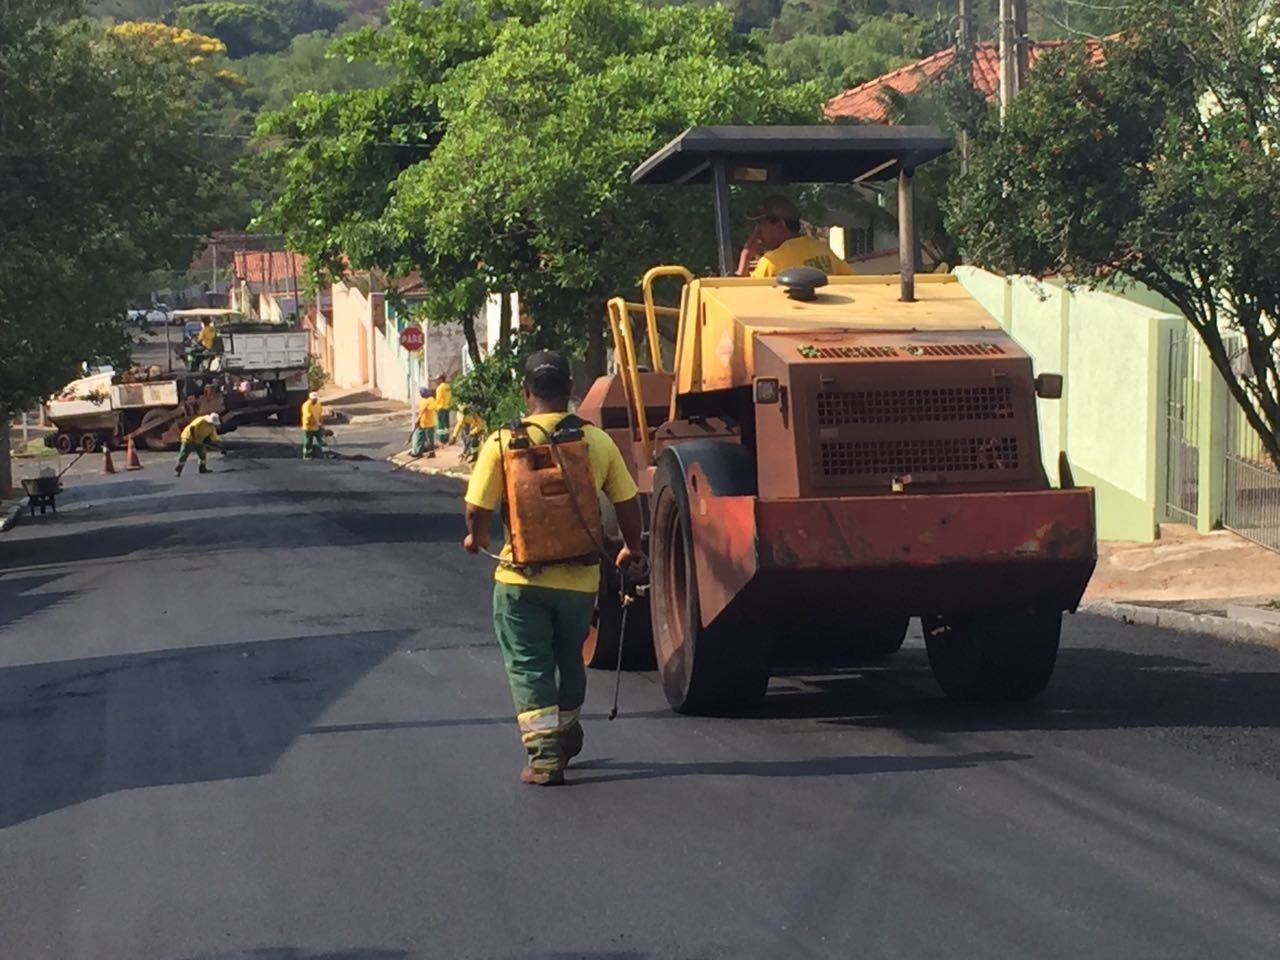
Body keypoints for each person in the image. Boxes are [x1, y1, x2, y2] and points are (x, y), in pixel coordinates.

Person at [463, 350, 645, 787]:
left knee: (528, 665)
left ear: (526, 393)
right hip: (579, 583)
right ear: (569, 392)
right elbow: (627, 501)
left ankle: (545, 758)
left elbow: (476, 508)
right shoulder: (596, 442)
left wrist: (478, 537)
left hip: (520, 581)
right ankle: (564, 730)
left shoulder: (501, 443)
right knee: (569, 657)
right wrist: (632, 548)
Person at [736, 194, 855, 279]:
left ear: (780, 225)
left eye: (760, 225)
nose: (757, 232)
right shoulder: (824, 251)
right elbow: (854, 282)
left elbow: (741, 298)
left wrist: (745, 257)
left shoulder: (771, 262)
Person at [411, 386, 437, 458]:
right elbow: (420, 411)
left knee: (429, 439)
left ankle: (432, 453)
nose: (421, 394)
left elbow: (425, 410)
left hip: (429, 423)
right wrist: (418, 421)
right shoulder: (421, 400)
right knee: (420, 437)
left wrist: (417, 420)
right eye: (420, 393)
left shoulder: (430, 400)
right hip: (422, 423)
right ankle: (419, 452)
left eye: (422, 393)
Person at [300, 391, 326, 460]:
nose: (314, 400)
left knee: (322, 440)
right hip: (309, 427)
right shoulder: (306, 405)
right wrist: (311, 423)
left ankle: (326, 454)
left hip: (317, 426)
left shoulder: (318, 405)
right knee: (308, 442)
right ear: (309, 398)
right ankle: (307, 455)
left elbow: (320, 415)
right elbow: (308, 416)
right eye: (313, 399)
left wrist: (321, 423)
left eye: (315, 399)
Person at [433, 375, 453, 445]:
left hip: (440, 408)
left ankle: (442, 440)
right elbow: (450, 397)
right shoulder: (448, 386)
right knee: (446, 424)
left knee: (441, 425)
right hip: (447, 407)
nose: (436, 381)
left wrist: (434, 407)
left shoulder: (439, 388)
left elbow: (438, 399)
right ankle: (446, 438)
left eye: (437, 380)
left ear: (441, 379)